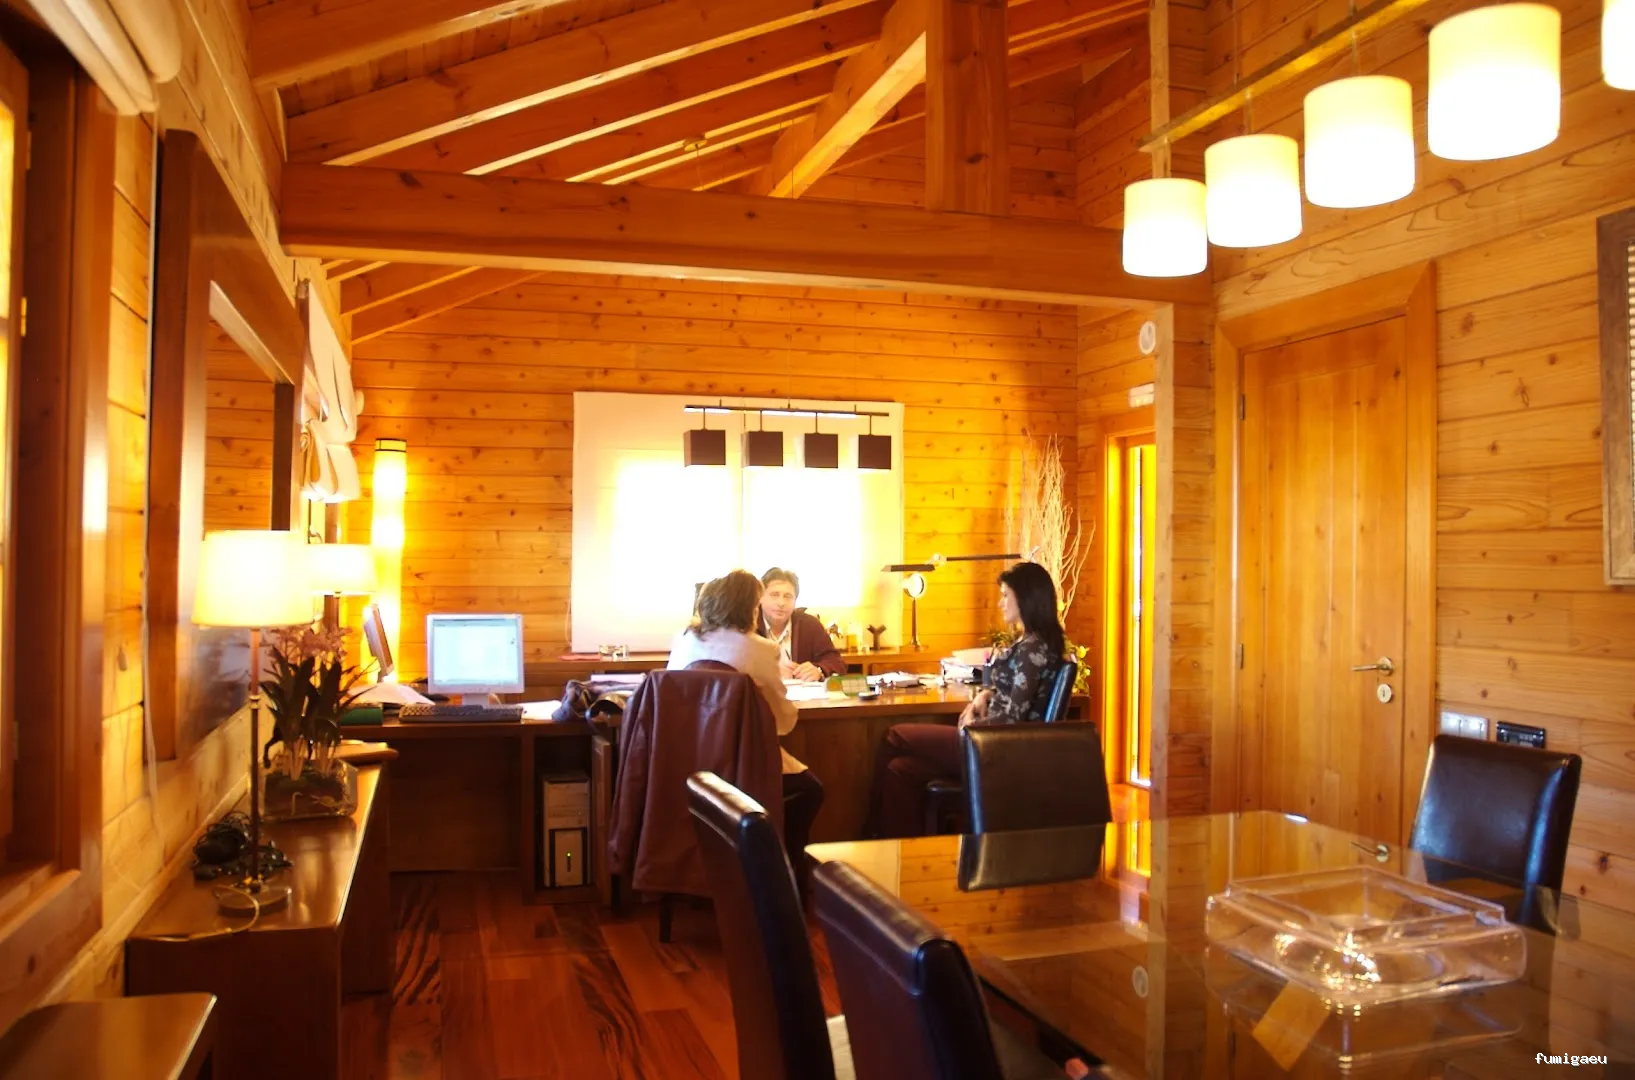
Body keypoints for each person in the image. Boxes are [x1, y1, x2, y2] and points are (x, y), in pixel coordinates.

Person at [863, 561, 1067, 839]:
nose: (1000, 603)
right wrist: (986, 693)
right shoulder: (1034, 642)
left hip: (995, 749)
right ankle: (905, 851)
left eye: (1005, 595)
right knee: (900, 770)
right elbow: (1016, 692)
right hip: (990, 742)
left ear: (1026, 598)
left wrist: (970, 725)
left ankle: (871, 834)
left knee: (894, 736)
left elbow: (1012, 719)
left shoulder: (1032, 648)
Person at [668, 569, 826, 891]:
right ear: (748, 609)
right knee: (811, 791)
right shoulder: (760, 648)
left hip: (688, 762)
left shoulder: (684, 639)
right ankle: (782, 875)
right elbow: (782, 722)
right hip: (742, 763)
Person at [755, 567, 847, 682]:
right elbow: (736, 667)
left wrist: (819, 670)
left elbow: (837, 662)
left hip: (803, 692)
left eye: (788, 596)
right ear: (760, 597)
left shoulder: (809, 625)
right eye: (774, 595)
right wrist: (768, 671)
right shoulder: (747, 625)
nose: (781, 603)